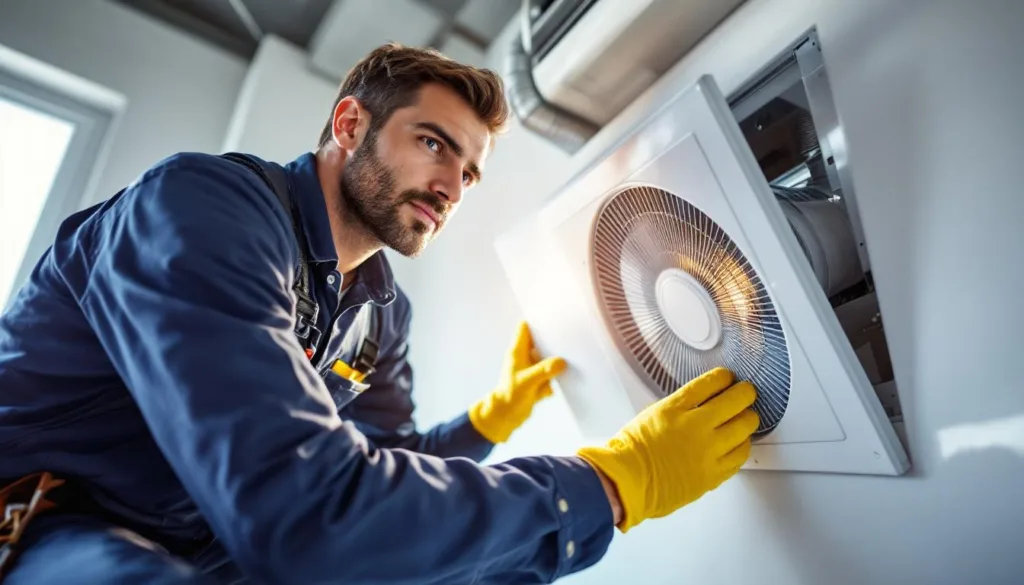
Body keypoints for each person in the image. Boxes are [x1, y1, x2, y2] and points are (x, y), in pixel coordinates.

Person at [0, 43, 760, 584]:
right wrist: (607, 485)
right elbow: (307, 517)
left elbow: (392, 459)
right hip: (41, 517)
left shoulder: (380, 308)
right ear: (350, 126)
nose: (451, 186)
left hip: (212, 538)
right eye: (433, 143)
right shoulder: (202, 211)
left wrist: (490, 421)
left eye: (468, 172)